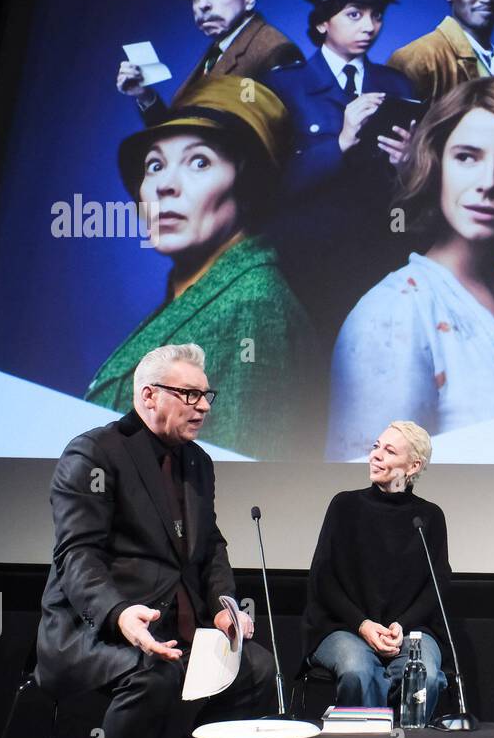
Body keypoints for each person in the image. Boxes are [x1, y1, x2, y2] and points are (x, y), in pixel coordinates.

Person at [35, 343, 276, 738]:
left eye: (207, 395)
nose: (203, 406)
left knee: (258, 669)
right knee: (156, 675)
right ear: (149, 396)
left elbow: (211, 544)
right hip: (100, 631)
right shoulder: (94, 452)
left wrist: (222, 603)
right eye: (189, 395)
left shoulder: (199, 463)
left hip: (180, 629)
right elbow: (77, 554)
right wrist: (119, 612)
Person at [326, 75, 494, 459]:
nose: (487, 183)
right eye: (467, 156)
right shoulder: (394, 312)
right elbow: (374, 494)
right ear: (436, 164)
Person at [86, 75, 322, 460]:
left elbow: (231, 483)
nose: (164, 185)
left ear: (248, 188)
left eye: (199, 161)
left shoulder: (253, 310)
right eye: (154, 165)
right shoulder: (199, 293)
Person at [261, 0, 421, 342]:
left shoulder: (398, 86)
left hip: (385, 262)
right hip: (308, 268)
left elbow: (419, 190)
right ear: (322, 22)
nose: (369, 26)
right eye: (354, 14)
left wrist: (411, 164)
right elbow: (267, 184)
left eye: (377, 15)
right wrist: (340, 143)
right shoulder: (284, 86)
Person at [302, 421, 451, 720]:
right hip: (344, 627)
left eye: (389, 450)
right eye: (376, 447)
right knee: (358, 670)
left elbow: (437, 586)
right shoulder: (345, 505)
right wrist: (363, 625)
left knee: (425, 675)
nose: (375, 455)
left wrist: (401, 626)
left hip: (409, 631)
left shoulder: (429, 517)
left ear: (413, 466)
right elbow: (324, 580)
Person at [116, 0, 302, 126]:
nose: (202, 5)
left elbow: (284, 140)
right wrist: (144, 95)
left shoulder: (274, 51)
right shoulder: (217, 52)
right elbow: (184, 137)